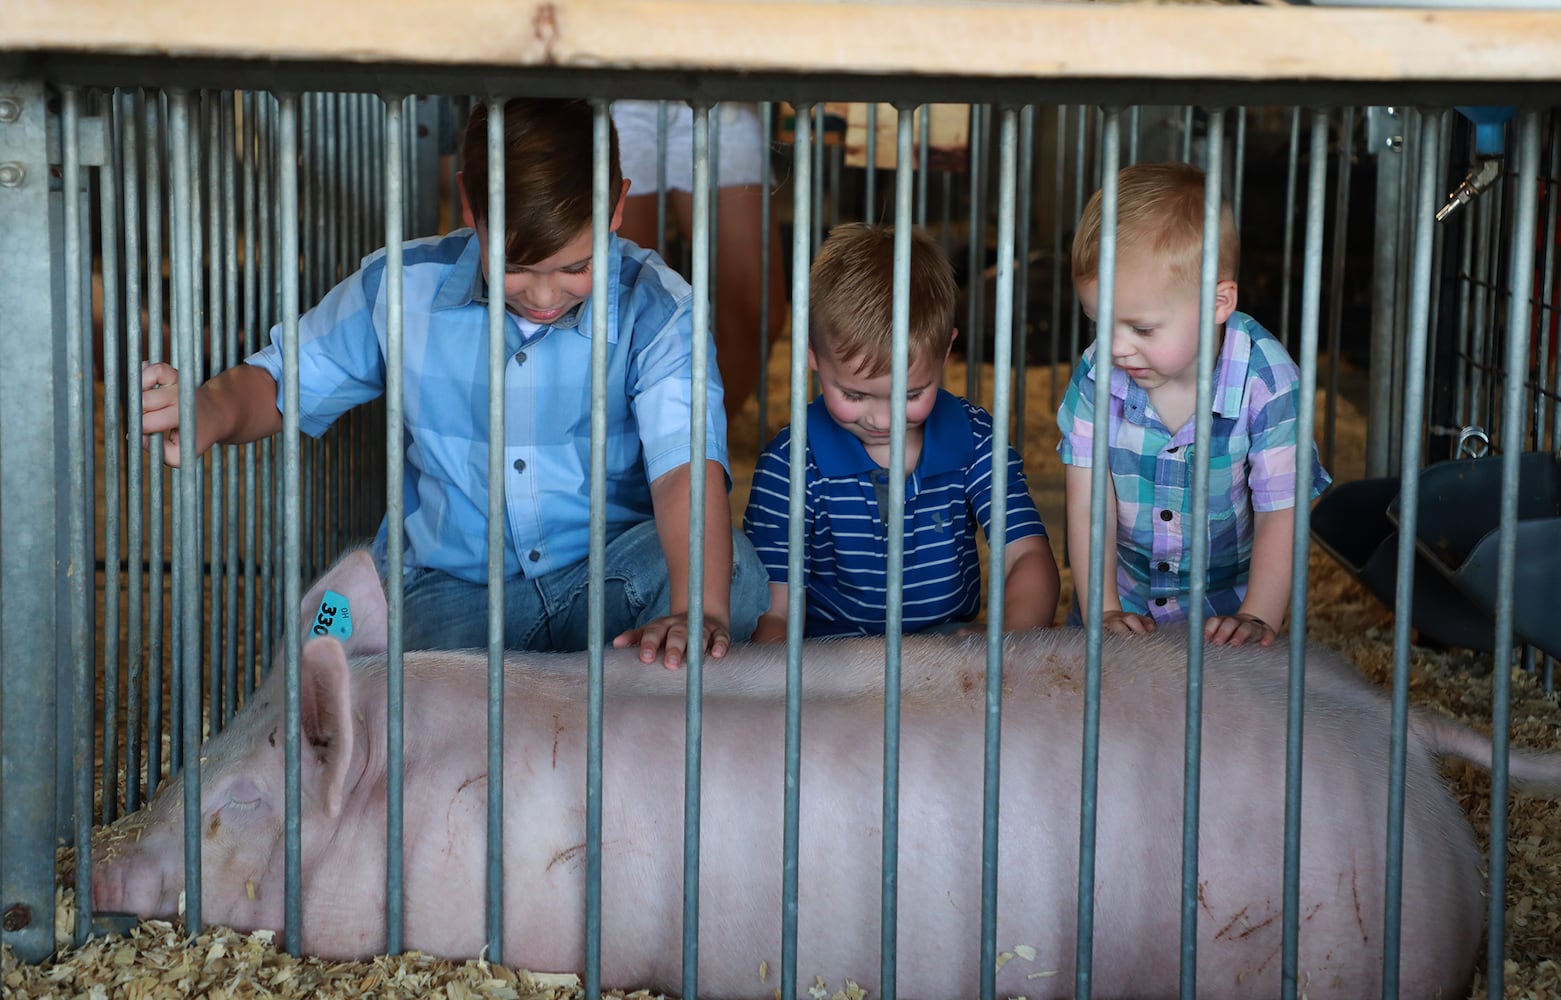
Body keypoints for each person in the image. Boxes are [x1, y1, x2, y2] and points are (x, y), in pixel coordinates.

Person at [140, 97, 768, 669]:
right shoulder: (400, 288)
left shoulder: (659, 309)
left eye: (577, 267)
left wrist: (695, 607)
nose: (545, 294)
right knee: (328, 624)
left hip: (603, 583)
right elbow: (283, 378)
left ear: (617, 208)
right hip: (451, 593)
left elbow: (684, 470)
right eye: (517, 266)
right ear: (472, 205)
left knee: (731, 576)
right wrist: (210, 408)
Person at [743, 223, 1060, 641]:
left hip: (948, 654)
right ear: (812, 354)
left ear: (946, 352)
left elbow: (1028, 556)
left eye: (910, 394)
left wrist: (1007, 644)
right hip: (827, 658)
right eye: (855, 395)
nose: (882, 420)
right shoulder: (790, 463)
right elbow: (775, 612)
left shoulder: (976, 439)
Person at [1057, 161, 1330, 647]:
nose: (1116, 347)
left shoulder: (1267, 382)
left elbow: (1280, 514)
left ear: (1219, 302)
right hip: (1123, 603)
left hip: (1226, 613)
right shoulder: (1097, 375)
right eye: (1099, 322)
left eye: (1141, 328)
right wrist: (1102, 609)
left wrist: (1258, 619)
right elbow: (1087, 501)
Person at [612, 100, 789, 425]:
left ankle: (696, 443)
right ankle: (634, 452)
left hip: (722, 85)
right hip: (617, 85)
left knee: (755, 311)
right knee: (621, 309)